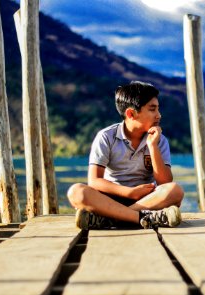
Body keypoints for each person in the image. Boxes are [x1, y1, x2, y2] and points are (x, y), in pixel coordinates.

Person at [67, 81, 184, 230]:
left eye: (158, 109)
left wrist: (152, 146)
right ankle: (144, 218)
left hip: (146, 200)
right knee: (77, 192)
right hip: (110, 199)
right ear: (131, 113)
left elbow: (164, 182)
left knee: (175, 191)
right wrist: (129, 192)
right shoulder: (106, 137)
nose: (159, 115)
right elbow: (94, 181)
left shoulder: (160, 140)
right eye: (152, 109)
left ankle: (110, 219)